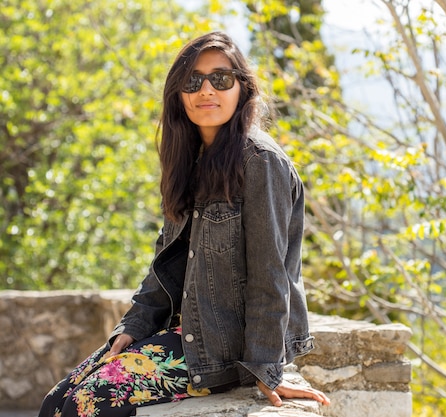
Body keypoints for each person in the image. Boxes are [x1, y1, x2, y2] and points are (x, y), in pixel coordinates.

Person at [38, 31, 330, 417]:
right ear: (179, 94)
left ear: (242, 88)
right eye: (193, 81)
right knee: (55, 400)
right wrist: (133, 326)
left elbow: (271, 275)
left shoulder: (261, 162)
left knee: (84, 404)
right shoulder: (190, 161)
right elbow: (166, 262)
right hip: (185, 333)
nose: (206, 90)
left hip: (224, 350)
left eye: (220, 79)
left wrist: (265, 368)